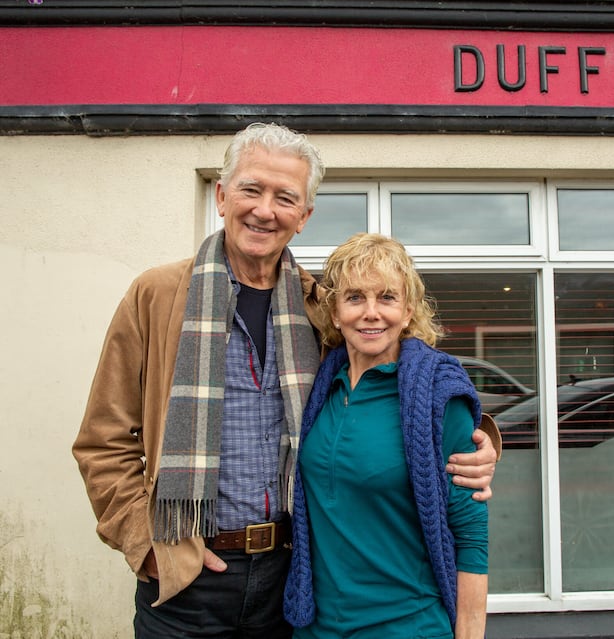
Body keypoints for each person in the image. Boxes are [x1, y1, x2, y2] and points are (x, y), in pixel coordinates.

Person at [73, 122, 499, 638]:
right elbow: (103, 441)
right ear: (222, 196)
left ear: (304, 216)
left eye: (285, 198)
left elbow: (401, 384)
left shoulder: (318, 305)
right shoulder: (157, 295)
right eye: (251, 189)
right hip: (186, 578)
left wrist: (477, 439)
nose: (265, 210)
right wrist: (145, 544)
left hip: (289, 580)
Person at [284, 233, 489, 639]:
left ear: (408, 310)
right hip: (314, 628)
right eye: (355, 297)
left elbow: (471, 537)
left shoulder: (438, 397)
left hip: (407, 626)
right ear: (335, 311)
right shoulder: (320, 388)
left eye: (387, 298)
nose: (371, 313)